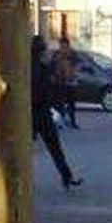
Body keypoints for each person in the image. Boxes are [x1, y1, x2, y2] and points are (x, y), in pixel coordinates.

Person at [32, 36, 82, 190]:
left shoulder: (25, 67)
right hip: (42, 112)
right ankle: (66, 177)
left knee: (25, 148)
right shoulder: (43, 67)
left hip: (30, 112)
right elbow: (51, 89)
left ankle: (66, 176)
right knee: (54, 147)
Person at [51, 36, 78, 129]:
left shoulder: (72, 54)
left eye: (64, 44)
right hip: (60, 82)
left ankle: (73, 121)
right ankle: (60, 121)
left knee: (71, 103)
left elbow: (77, 64)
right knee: (60, 103)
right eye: (61, 45)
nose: (62, 46)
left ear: (67, 45)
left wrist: (66, 56)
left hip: (70, 82)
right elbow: (52, 65)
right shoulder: (57, 54)